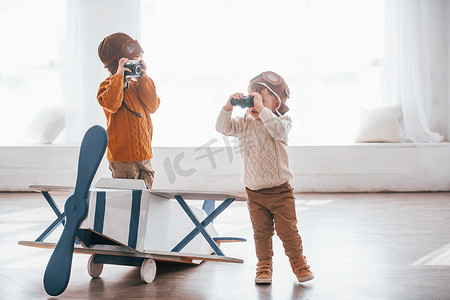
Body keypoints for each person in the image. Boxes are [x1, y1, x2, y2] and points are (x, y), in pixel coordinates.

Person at [216, 71, 313, 284]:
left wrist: (263, 111)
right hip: (254, 192)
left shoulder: (283, 121)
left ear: (276, 103)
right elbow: (222, 128)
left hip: (280, 191)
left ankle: (298, 261)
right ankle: (264, 265)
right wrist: (228, 107)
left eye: (261, 99)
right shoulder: (244, 124)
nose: (254, 104)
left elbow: (278, 131)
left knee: (288, 230)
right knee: (261, 233)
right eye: (251, 99)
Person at [97, 32, 160, 188]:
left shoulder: (137, 86)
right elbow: (112, 104)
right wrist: (118, 76)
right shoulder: (108, 86)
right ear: (119, 62)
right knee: (127, 197)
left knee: (144, 198)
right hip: (122, 160)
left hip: (145, 156)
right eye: (131, 62)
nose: (135, 65)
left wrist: (143, 78)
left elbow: (153, 106)